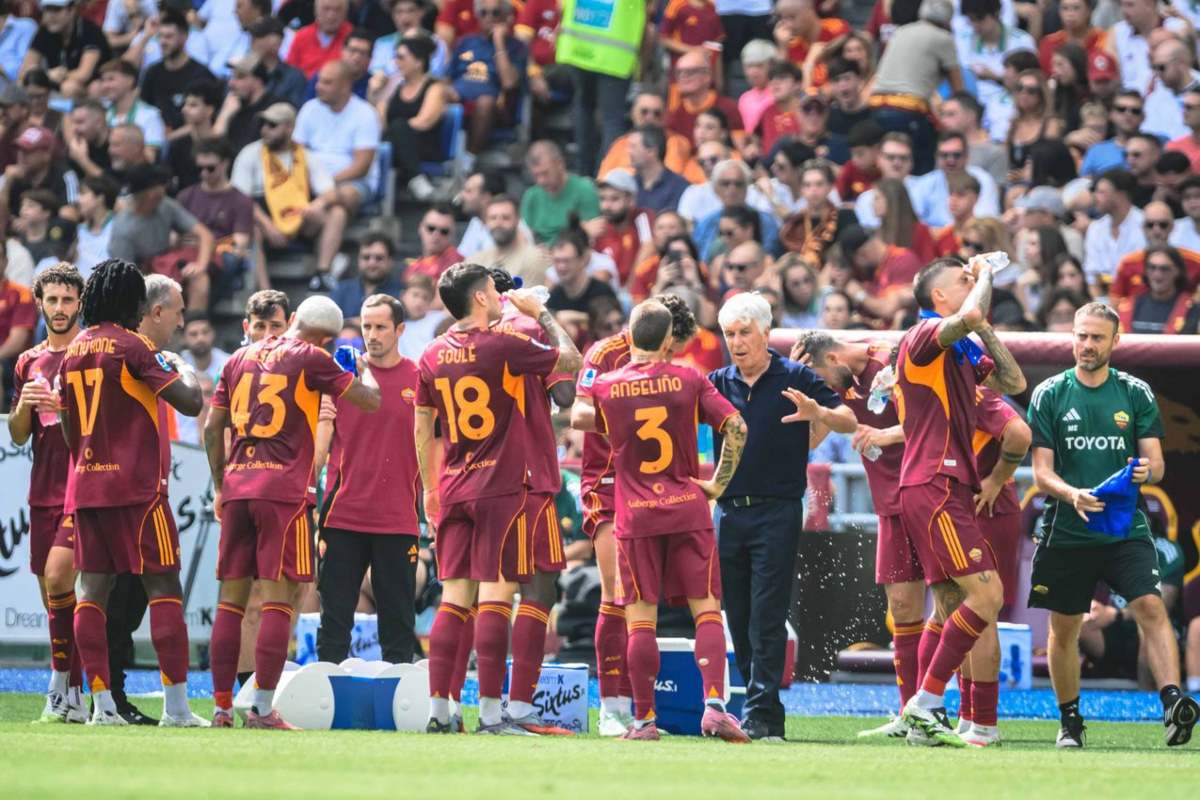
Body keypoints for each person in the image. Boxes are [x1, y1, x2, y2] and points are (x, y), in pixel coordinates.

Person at [573, 298, 749, 742]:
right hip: (687, 507)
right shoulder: (688, 376)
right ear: (670, 338)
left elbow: (580, 417)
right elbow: (738, 428)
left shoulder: (609, 384)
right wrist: (717, 485)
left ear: (631, 334)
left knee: (639, 620)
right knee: (706, 610)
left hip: (634, 512)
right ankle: (713, 708)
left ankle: (643, 720)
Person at [416, 262, 581, 735]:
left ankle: (441, 711)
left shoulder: (431, 352)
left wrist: (428, 486)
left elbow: (423, 424)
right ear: (486, 296)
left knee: (454, 598)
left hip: (454, 483)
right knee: (500, 593)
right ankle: (499, 711)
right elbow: (569, 378)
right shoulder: (517, 335)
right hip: (513, 481)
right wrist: (543, 316)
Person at [1028, 301, 1199, 747]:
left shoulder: (1135, 392)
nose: (1086, 345)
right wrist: (1072, 494)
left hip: (1123, 526)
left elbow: (1157, 464)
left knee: (1151, 607)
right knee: (1064, 629)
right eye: (1080, 336)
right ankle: (1070, 722)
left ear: (1115, 341)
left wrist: (1146, 472)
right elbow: (1041, 472)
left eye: (1096, 338)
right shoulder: (1049, 392)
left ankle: (1172, 704)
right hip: (1067, 525)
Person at [205, 295, 381, 729]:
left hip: (238, 487)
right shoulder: (313, 358)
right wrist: (359, 368)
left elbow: (212, 427)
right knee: (279, 602)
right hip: (283, 492)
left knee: (230, 603)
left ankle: (222, 708)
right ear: (325, 338)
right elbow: (370, 401)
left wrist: (219, 483)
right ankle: (262, 709)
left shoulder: (238, 358)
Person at [57, 259, 205, 727]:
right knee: (164, 586)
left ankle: (101, 707)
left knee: (91, 592)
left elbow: (67, 430)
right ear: (129, 300)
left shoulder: (74, 349)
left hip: (88, 484)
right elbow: (191, 402)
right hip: (138, 489)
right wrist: (184, 368)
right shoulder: (135, 347)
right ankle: (177, 709)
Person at [708, 293, 853, 740]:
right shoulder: (715, 382)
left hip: (778, 509)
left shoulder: (796, 376)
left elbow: (847, 419)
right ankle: (763, 709)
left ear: (766, 334)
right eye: (729, 334)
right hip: (729, 512)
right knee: (738, 614)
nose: (736, 342)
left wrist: (819, 413)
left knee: (766, 612)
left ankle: (760, 710)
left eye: (744, 333)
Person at [893, 254, 1025, 744]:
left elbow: (1013, 382)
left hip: (939, 486)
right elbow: (968, 315)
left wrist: (984, 328)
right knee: (986, 597)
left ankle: (942, 724)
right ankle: (925, 703)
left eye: (971, 277)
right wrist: (988, 271)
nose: (970, 282)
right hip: (936, 482)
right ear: (938, 298)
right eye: (961, 280)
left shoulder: (961, 350)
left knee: (951, 605)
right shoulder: (922, 336)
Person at [485, 266, 578, 735]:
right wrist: (543, 316)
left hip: (475, 476)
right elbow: (566, 387)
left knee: (478, 592)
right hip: (525, 475)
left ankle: (469, 708)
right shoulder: (523, 328)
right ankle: (516, 708)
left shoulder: (455, 339)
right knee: (534, 589)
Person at [314, 294, 419, 665]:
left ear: (400, 330)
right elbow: (319, 450)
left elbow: (434, 447)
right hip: (344, 515)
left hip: (399, 518)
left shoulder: (420, 380)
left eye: (380, 327)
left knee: (399, 622)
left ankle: (400, 706)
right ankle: (326, 698)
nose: (371, 335)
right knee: (334, 620)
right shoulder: (340, 380)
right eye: (366, 327)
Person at [10, 264, 86, 724]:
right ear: (40, 302)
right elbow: (20, 434)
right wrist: (24, 405)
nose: (60, 309)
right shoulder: (29, 361)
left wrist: (65, 406)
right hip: (43, 488)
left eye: (67, 300)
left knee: (62, 580)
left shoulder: (90, 354)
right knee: (50, 593)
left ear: (80, 302)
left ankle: (63, 685)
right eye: (52, 300)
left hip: (83, 487)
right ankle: (75, 690)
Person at [230, 102, 350, 284]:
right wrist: (269, 225)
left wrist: (316, 205)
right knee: (251, 227)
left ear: (289, 127)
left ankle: (322, 274)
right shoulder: (250, 153)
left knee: (337, 212)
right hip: (264, 221)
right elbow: (239, 200)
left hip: (298, 219)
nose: (265, 130)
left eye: (272, 125)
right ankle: (265, 291)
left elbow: (332, 193)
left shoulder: (305, 155)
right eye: (263, 124)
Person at [869, 0, 963, 175]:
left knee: (886, 163)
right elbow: (958, 88)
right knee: (922, 164)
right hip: (908, 109)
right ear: (948, 20)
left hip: (876, 106)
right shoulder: (943, 38)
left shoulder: (901, 31)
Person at [294, 59, 382, 241]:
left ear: (345, 86)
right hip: (311, 181)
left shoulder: (365, 113)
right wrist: (312, 182)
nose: (318, 86)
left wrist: (326, 185)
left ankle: (319, 205)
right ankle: (325, 268)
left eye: (327, 82)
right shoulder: (309, 109)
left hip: (352, 183)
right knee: (337, 212)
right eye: (319, 80)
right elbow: (296, 154)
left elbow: (361, 166)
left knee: (345, 196)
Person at [107, 164, 215, 311]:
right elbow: (125, 277)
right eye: (160, 185)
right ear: (150, 193)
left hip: (169, 265)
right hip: (142, 277)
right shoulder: (123, 229)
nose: (164, 189)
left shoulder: (166, 206)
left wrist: (200, 266)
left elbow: (205, 235)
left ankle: (193, 327)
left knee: (200, 279)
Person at [556, 0, 645, 174]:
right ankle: (606, 175)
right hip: (614, 54)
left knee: (584, 106)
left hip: (579, 47)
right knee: (611, 119)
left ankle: (585, 171)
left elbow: (560, 6)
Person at [177, 137, 256, 300]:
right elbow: (174, 236)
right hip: (187, 257)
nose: (204, 173)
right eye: (199, 168)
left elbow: (239, 244)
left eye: (210, 168)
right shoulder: (186, 196)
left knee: (223, 262)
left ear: (225, 164)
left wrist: (204, 243)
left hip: (220, 260)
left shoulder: (241, 200)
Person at [447, 0, 526, 155]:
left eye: (495, 13)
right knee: (438, 92)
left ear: (505, 17)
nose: (489, 17)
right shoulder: (465, 42)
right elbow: (448, 77)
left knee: (485, 103)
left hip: (494, 103)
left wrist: (499, 42)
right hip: (459, 94)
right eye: (483, 13)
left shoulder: (516, 46)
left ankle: (469, 158)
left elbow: (509, 83)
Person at [379, 34, 447, 201]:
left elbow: (425, 121)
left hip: (423, 144)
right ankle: (415, 180)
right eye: (395, 57)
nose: (396, 62)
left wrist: (396, 131)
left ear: (418, 61)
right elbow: (379, 120)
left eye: (401, 57)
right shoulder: (395, 85)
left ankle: (416, 180)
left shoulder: (435, 87)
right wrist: (377, 92)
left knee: (399, 125)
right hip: (395, 144)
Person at [138, 10, 217, 131]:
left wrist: (172, 137)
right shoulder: (152, 72)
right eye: (160, 36)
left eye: (169, 37)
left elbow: (207, 119)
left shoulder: (202, 74)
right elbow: (143, 110)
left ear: (184, 36)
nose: (163, 42)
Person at [597, 93, 697, 182]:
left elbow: (669, 178)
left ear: (665, 117)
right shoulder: (620, 143)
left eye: (657, 113)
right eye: (644, 112)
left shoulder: (676, 142)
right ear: (633, 114)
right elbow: (603, 179)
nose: (650, 117)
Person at [21, 0, 110, 99]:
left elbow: (84, 74)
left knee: (69, 87)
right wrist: (47, 75)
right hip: (55, 82)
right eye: (46, 10)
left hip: (92, 87)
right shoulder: (44, 32)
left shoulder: (90, 31)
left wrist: (49, 76)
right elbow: (24, 71)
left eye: (56, 10)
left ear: (72, 10)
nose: (50, 16)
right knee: (26, 86)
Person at [910, 131, 1000, 229]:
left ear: (967, 156)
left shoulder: (982, 179)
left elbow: (987, 221)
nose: (950, 160)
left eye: (956, 155)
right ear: (936, 157)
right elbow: (912, 219)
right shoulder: (925, 183)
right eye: (944, 155)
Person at [520, 140, 600, 244]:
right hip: (539, 256)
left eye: (545, 173)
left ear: (560, 164)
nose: (541, 181)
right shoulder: (531, 196)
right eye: (536, 175)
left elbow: (593, 232)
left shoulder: (584, 189)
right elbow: (523, 237)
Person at [1084, 169, 1145, 295]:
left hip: (1138, 297)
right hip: (1104, 302)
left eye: (1101, 192)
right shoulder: (1095, 228)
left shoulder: (1145, 224)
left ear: (1120, 195)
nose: (1095, 197)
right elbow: (1092, 278)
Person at [593, 169, 654, 287]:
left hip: (639, 291)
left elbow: (649, 247)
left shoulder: (641, 217)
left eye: (614, 199)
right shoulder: (597, 229)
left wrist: (629, 288)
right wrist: (585, 234)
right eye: (602, 199)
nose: (606, 205)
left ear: (630, 200)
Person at [472, 195, 549, 286]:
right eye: (493, 218)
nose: (498, 223)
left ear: (517, 220)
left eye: (505, 218)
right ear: (486, 221)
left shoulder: (534, 258)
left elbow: (528, 299)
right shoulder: (475, 261)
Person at [1116, 246, 1195, 334]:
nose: (1157, 274)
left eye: (1164, 268)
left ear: (1177, 271)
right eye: (1152, 267)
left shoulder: (1192, 309)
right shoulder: (1129, 305)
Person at [547, 222, 619, 314]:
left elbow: (608, 323)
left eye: (566, 261)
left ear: (582, 260)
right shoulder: (554, 297)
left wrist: (571, 317)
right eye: (557, 261)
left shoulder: (601, 292)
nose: (561, 267)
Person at [332, 233, 403, 325]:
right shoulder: (341, 289)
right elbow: (331, 324)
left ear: (390, 261)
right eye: (366, 257)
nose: (372, 263)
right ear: (358, 260)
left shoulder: (401, 293)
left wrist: (351, 322)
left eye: (379, 258)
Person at [99, 59, 165, 159]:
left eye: (111, 79)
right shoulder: (102, 115)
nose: (105, 86)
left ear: (130, 81)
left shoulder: (149, 115)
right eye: (103, 80)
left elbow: (150, 158)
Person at [628, 125, 691, 214]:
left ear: (651, 152)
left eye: (633, 147)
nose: (629, 152)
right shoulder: (629, 186)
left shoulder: (679, 187)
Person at [287, 0, 352, 79]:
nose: (331, 16)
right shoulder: (302, 36)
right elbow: (289, 72)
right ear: (315, 11)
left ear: (345, 13)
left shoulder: (352, 38)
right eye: (326, 9)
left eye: (338, 10)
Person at [406, 205, 463, 282]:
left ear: (452, 234)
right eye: (431, 228)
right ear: (420, 228)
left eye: (444, 231)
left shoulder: (456, 265)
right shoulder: (413, 267)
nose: (436, 234)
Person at [181, 313, 231, 383]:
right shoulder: (178, 363)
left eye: (205, 332)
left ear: (213, 333)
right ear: (183, 338)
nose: (200, 338)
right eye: (193, 334)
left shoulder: (228, 363)